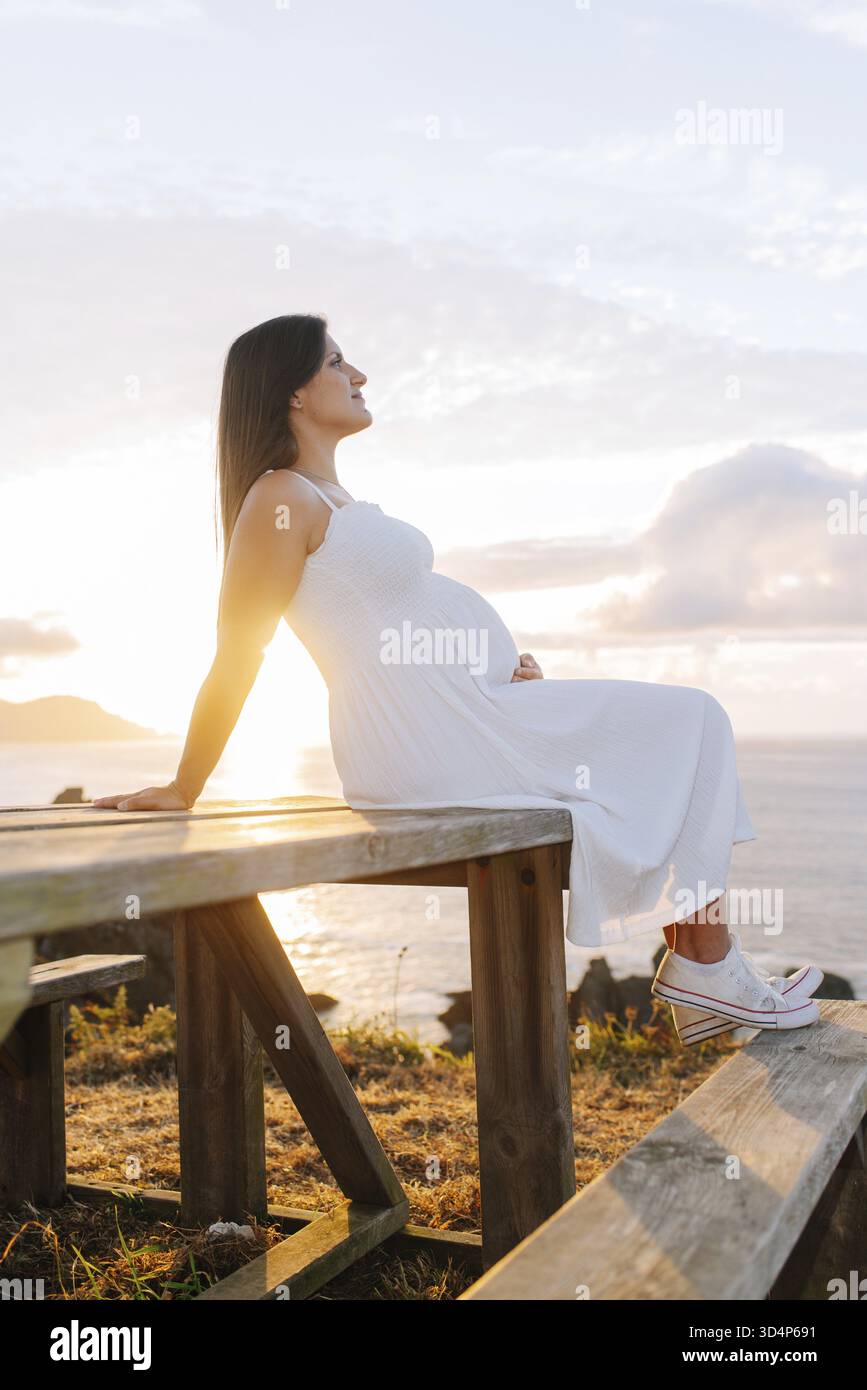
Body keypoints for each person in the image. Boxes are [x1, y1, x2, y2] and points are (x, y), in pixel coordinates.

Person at [93, 313, 821, 1043]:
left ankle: (705, 966)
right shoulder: (281, 498)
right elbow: (238, 648)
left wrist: (494, 677)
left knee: (681, 731)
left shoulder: (330, 498)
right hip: (418, 750)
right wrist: (186, 784)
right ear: (290, 392)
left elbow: (388, 623)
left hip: (469, 718)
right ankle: (706, 967)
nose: (359, 375)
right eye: (338, 362)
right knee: (689, 720)